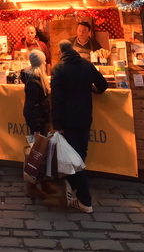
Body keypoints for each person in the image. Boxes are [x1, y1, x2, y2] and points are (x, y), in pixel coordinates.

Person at [51, 39, 109, 213]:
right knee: (80, 154)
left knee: (73, 160)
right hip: (85, 116)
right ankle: (71, 186)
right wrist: (90, 89)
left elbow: (57, 98)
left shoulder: (59, 68)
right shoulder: (87, 65)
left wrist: (57, 123)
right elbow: (103, 85)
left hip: (68, 120)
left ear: (60, 52)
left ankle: (85, 200)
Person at [20, 50, 57, 199]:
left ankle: (45, 183)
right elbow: (32, 106)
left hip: (42, 120)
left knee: (44, 152)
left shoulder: (35, 78)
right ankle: (32, 185)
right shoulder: (34, 81)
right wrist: (36, 129)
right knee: (37, 154)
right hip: (38, 122)